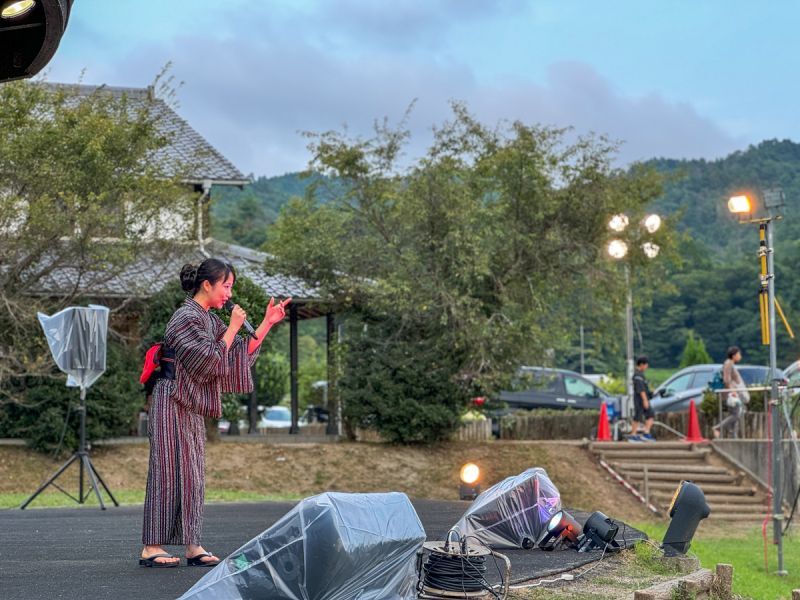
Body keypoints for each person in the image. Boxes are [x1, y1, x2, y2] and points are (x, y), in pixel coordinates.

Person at [140, 258, 291, 567]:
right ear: (207, 285)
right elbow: (208, 360)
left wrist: (266, 323)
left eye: (230, 287)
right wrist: (233, 327)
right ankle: (151, 547)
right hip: (170, 398)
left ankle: (193, 545)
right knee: (167, 469)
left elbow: (235, 355)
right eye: (226, 286)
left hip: (190, 402)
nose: (228, 293)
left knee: (194, 473)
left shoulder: (209, 320)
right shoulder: (184, 317)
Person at [713, 346, 747, 439]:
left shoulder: (730, 363)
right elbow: (726, 379)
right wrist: (732, 391)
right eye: (738, 354)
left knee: (737, 413)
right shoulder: (728, 363)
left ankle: (734, 435)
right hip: (731, 394)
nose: (740, 356)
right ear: (733, 355)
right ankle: (718, 428)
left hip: (732, 393)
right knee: (736, 414)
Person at [629, 355, 655, 442]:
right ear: (642, 364)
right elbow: (641, 390)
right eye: (646, 365)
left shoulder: (641, 375)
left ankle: (646, 433)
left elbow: (645, 388)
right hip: (640, 399)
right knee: (638, 416)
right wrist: (645, 400)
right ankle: (633, 434)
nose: (647, 367)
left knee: (650, 414)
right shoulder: (637, 375)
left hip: (644, 398)